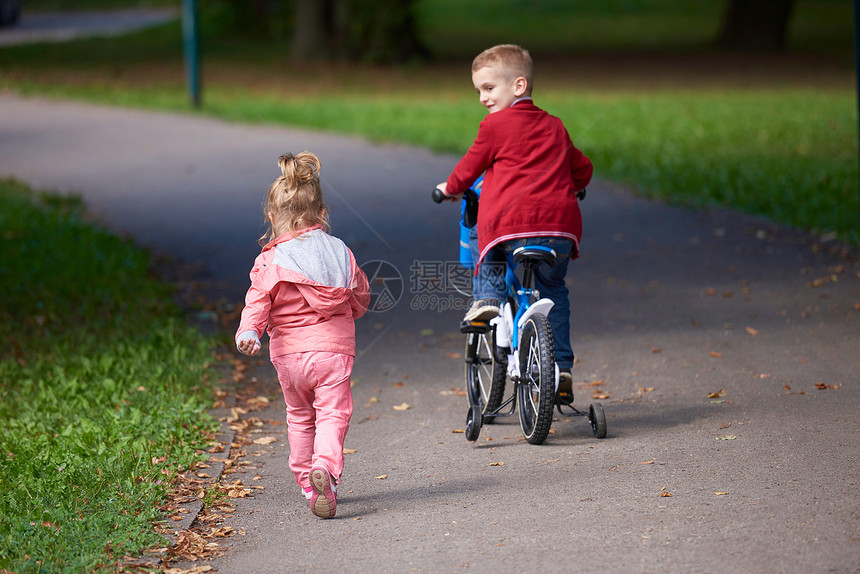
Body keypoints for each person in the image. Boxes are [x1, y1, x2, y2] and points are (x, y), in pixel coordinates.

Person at [436, 44, 593, 403]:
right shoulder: (555, 126)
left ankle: (488, 299)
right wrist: (575, 187)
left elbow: (470, 166)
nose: (482, 98)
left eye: (489, 88)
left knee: (488, 251)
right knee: (554, 292)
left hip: (509, 228)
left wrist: (450, 188)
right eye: (478, 90)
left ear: (518, 86)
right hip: (559, 232)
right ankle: (562, 369)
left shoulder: (494, 126)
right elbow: (582, 169)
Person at [235, 151, 370, 519]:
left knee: (298, 416)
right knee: (332, 414)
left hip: (289, 356)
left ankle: (307, 484)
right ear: (322, 214)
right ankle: (324, 468)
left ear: (272, 218)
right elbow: (360, 295)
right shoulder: (340, 252)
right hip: (332, 352)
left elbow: (257, 300)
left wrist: (250, 330)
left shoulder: (270, 260)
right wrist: (350, 309)